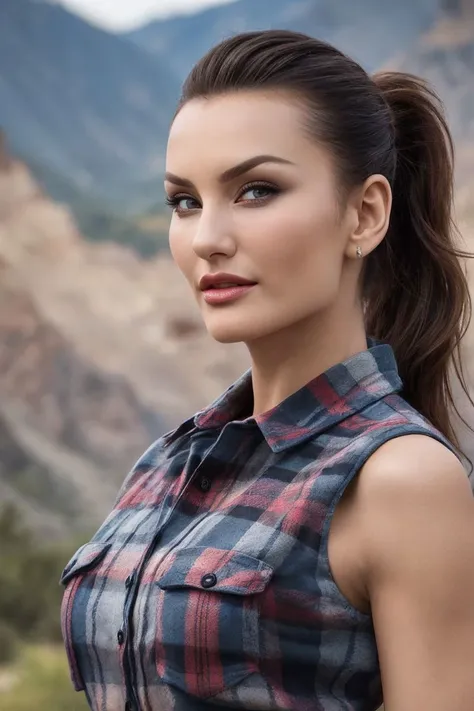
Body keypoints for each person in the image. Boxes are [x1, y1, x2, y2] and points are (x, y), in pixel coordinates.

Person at [60, 30, 474, 711]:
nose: (207, 238)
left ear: (364, 213)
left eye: (256, 190)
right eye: (184, 201)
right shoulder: (162, 467)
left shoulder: (399, 481)